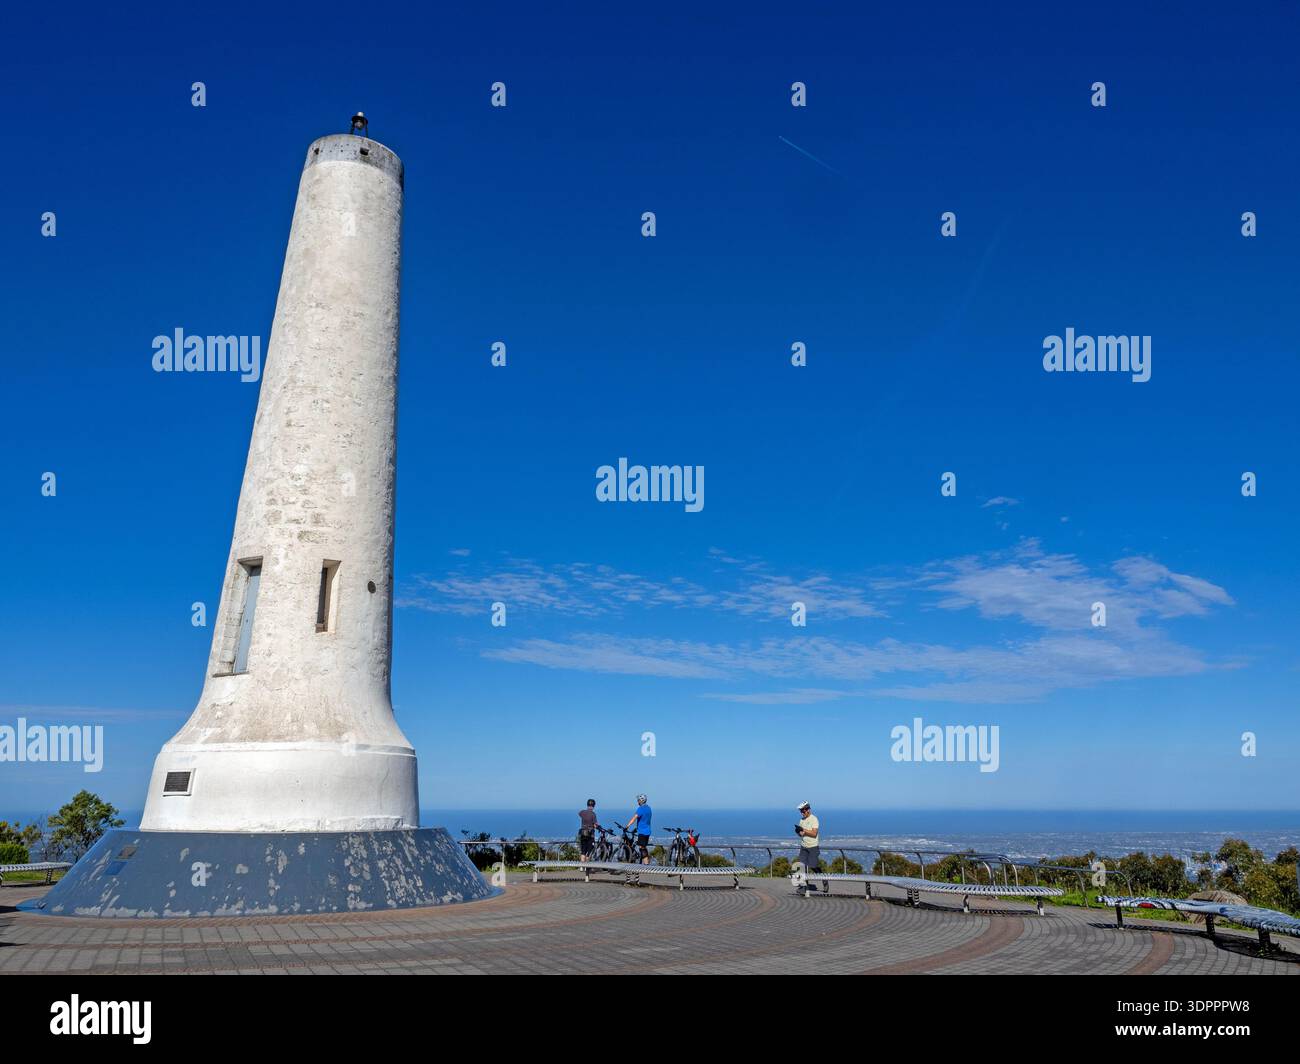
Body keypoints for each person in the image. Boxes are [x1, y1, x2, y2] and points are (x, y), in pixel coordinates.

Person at [794, 801, 821, 894]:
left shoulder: (814, 819)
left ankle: (824, 879)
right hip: (804, 847)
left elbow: (814, 833)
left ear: (808, 810)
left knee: (813, 866)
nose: (802, 813)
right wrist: (798, 832)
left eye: (803, 811)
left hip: (813, 846)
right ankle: (804, 887)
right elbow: (802, 834)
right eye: (801, 811)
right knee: (802, 867)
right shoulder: (801, 820)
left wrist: (803, 830)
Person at [626, 794, 653, 864]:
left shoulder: (640, 809)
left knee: (642, 848)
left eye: (638, 800)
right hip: (648, 830)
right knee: (643, 847)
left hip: (642, 831)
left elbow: (634, 818)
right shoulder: (649, 808)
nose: (637, 801)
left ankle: (646, 865)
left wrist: (627, 826)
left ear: (641, 801)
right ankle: (646, 862)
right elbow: (644, 819)